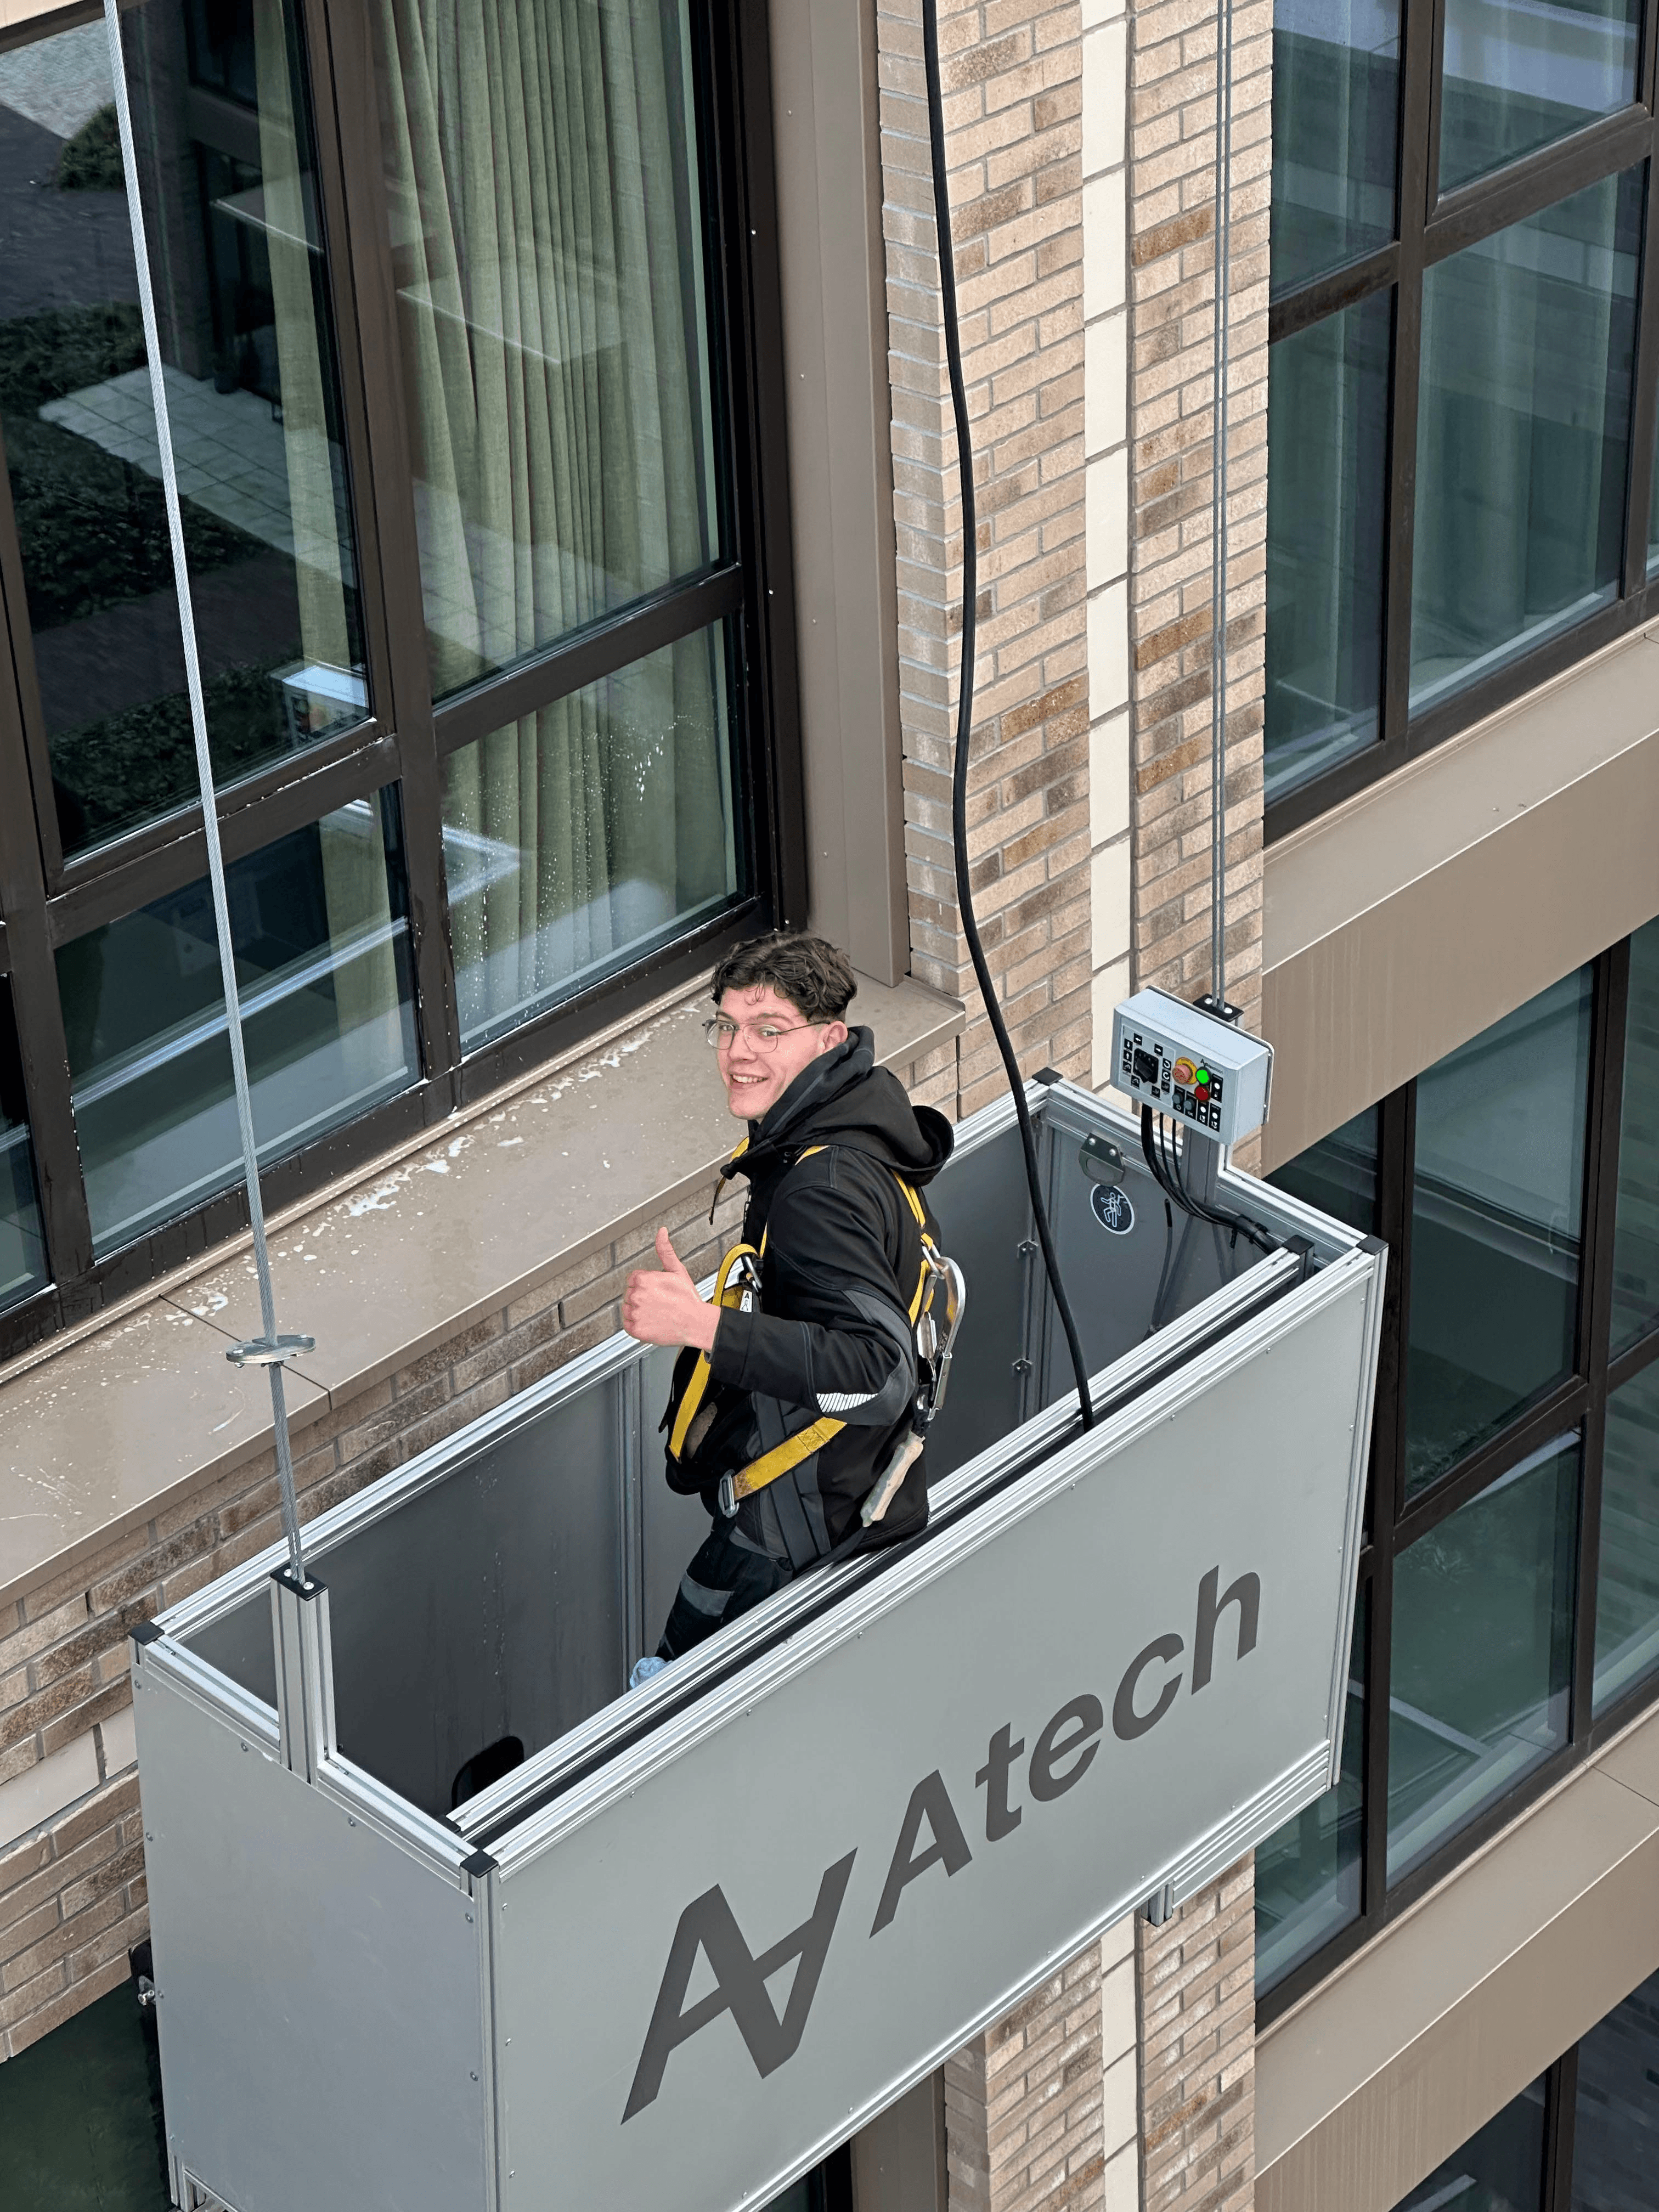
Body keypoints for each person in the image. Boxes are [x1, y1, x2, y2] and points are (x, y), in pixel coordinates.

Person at [621, 932, 953, 1664]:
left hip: (791, 1541)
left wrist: (704, 1324)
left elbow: (875, 1373)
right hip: (845, 1502)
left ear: (829, 1038)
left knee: (668, 1715)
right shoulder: (846, 1134)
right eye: (727, 1026)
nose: (739, 1051)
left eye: (769, 1030)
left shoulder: (819, 1188)